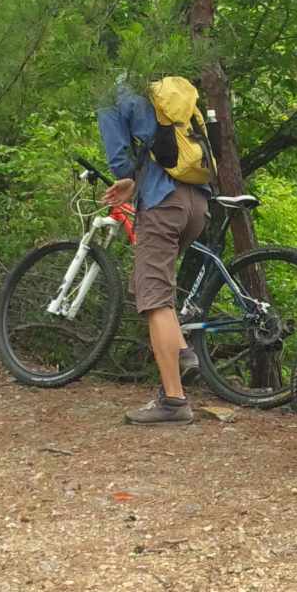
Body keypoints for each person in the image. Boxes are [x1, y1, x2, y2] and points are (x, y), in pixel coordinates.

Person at [97, 76, 209, 425]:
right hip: (197, 202)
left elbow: (119, 160)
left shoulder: (110, 91)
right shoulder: (164, 87)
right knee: (156, 287)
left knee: (155, 298)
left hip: (162, 202)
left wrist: (126, 178)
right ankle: (184, 353)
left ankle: (174, 402)